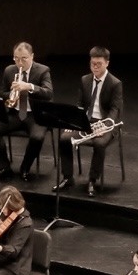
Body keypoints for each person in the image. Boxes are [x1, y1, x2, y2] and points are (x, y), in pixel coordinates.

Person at [55, 46, 124, 198]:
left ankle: (92, 180)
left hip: (105, 123)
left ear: (107, 63)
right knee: (64, 138)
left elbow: (115, 109)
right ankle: (67, 178)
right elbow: (80, 104)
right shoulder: (85, 80)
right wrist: (72, 122)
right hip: (86, 121)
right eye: (93, 63)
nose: (95, 67)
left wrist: (105, 126)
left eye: (99, 64)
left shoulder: (115, 83)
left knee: (99, 143)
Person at [0, 41, 54, 182]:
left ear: (32, 56)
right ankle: (4, 167)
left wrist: (28, 86)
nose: (20, 63)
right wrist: (11, 94)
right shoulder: (9, 70)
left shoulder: (43, 71)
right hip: (15, 113)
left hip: (35, 115)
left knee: (37, 137)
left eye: (24, 58)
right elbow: (1, 93)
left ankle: (25, 168)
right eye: (16, 58)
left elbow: (48, 93)